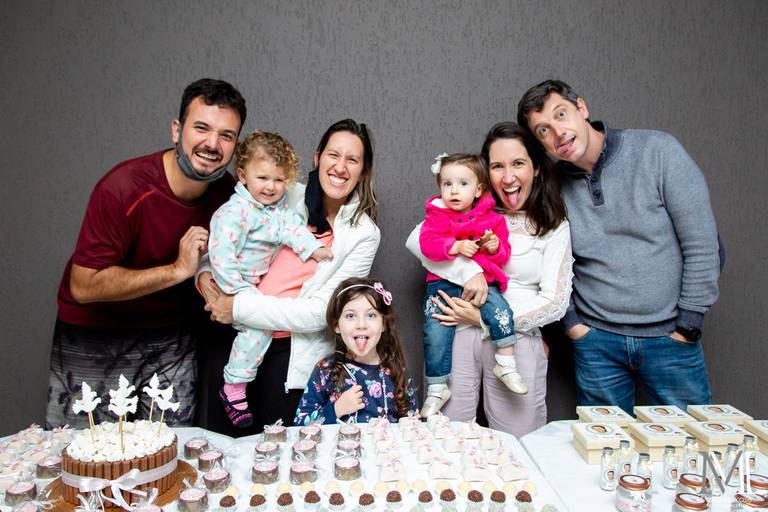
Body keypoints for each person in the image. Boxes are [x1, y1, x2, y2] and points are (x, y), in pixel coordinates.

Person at [46, 78, 246, 428]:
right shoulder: (123, 188)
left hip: (172, 337)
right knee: (88, 456)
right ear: (176, 130)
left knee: (167, 455)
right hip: (97, 335)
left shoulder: (230, 195)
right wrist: (176, 270)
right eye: (201, 128)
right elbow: (84, 285)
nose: (212, 144)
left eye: (226, 135)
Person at [517, 79, 720, 414]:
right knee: (605, 455)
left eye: (562, 115)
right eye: (543, 130)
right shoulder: (552, 186)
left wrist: (689, 324)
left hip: (671, 337)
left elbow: (702, 245)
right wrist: (574, 326)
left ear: (582, 108)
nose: (559, 133)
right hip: (598, 344)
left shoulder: (657, 152)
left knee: (690, 450)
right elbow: (544, 259)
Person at [200, 119, 380, 434]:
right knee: (222, 454)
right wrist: (205, 279)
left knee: (280, 463)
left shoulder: (364, 234)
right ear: (317, 157)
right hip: (232, 342)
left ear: (363, 170)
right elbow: (226, 239)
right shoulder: (282, 190)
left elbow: (322, 312)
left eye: (352, 159)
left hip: (288, 358)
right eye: (333, 155)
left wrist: (238, 306)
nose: (340, 167)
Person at [406, 122, 572, 437]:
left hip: (514, 339)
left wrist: (484, 319)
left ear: (536, 168)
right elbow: (418, 241)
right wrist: (472, 272)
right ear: (485, 176)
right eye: (497, 166)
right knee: (446, 436)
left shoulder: (553, 225)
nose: (508, 177)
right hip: (456, 331)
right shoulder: (470, 207)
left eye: (518, 164)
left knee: (519, 441)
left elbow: (555, 302)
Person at [209, 130, 333, 428]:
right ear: (242, 175)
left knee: (260, 327)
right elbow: (220, 256)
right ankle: (233, 387)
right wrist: (235, 294)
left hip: (252, 286)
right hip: (235, 285)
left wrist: (314, 249)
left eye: (279, 180)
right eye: (263, 178)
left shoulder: (276, 209)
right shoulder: (234, 213)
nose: (271, 187)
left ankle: (240, 382)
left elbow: (292, 229)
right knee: (258, 330)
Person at [418, 152, 526, 419]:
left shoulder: (493, 219)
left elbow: (503, 257)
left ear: (478, 189)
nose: (454, 191)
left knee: (501, 311)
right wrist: (453, 245)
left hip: (485, 284)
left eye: (463, 184)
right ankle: (437, 386)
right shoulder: (436, 216)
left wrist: (495, 246)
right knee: (434, 331)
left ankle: (506, 362)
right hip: (442, 285)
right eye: (447, 184)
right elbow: (426, 245)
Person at [294, 277, 418, 424]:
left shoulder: (396, 369)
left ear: (384, 323)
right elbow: (300, 424)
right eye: (350, 316)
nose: (361, 324)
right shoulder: (325, 370)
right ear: (336, 325)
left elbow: (413, 424)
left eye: (371, 315)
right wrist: (336, 409)